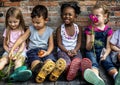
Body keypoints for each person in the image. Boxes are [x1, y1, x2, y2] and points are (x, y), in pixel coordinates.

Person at [9, 5, 66, 83]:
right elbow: (21, 39)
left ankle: (53, 71)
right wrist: (12, 49)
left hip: (45, 50)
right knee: (35, 62)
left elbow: (51, 45)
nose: (35, 24)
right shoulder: (31, 29)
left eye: (38, 23)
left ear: (46, 20)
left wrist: (47, 52)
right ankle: (41, 71)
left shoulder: (49, 31)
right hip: (33, 51)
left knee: (49, 61)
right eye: (33, 22)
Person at [84, 3, 120, 85]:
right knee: (93, 62)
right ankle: (96, 77)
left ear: (105, 16)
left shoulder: (108, 30)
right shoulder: (89, 29)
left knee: (108, 62)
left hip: (103, 51)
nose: (94, 18)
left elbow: (108, 47)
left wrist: (105, 55)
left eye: (97, 15)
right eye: (93, 15)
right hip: (92, 51)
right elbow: (88, 48)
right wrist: (91, 39)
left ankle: (116, 76)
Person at [57, 1, 92, 81]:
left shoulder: (78, 28)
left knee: (77, 60)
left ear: (75, 16)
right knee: (65, 63)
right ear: (61, 15)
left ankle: (79, 69)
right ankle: (77, 72)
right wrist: (67, 51)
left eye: (70, 15)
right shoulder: (60, 29)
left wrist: (75, 50)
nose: (67, 16)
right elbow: (59, 44)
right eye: (65, 14)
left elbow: (79, 42)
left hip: (75, 51)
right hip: (63, 51)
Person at [0, 7, 32, 82]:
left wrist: (17, 54)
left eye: (15, 22)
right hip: (8, 51)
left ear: (20, 20)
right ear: (7, 21)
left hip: (20, 52)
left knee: (19, 61)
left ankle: (17, 74)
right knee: (3, 60)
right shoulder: (7, 30)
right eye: (10, 22)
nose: (12, 24)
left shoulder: (21, 31)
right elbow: (4, 45)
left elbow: (22, 45)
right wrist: (9, 52)